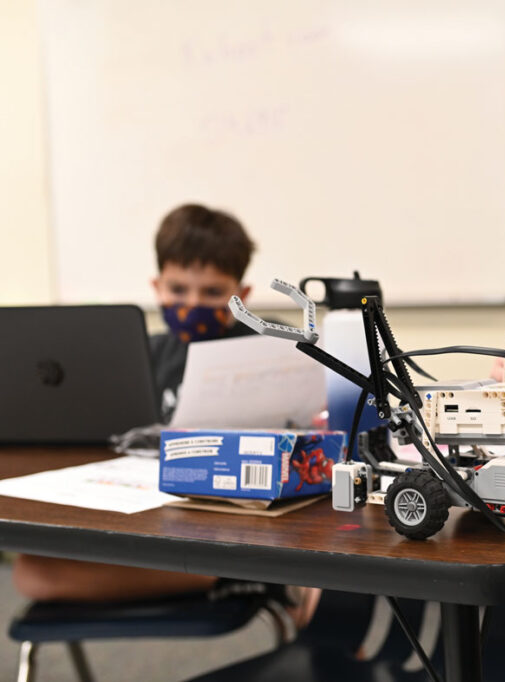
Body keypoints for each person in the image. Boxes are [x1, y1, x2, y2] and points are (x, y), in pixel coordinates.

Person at [13, 204, 319, 626]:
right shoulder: (140, 355)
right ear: (156, 287)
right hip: (151, 512)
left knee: (36, 574)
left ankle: (242, 574)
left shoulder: (269, 348)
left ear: (242, 296)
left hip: (238, 519)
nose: (191, 303)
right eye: (177, 289)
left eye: (212, 293)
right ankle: (232, 580)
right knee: (32, 572)